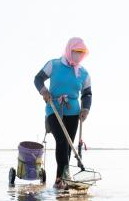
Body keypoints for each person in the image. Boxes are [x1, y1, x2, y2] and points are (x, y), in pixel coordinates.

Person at [34, 37, 92, 189]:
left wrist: (85, 109)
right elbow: (38, 78)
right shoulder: (54, 64)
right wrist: (44, 91)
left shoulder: (83, 73)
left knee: (68, 146)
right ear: (69, 50)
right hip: (53, 108)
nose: (79, 55)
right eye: (76, 52)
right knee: (61, 141)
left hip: (73, 112)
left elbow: (87, 94)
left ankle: (60, 181)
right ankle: (64, 177)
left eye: (82, 53)